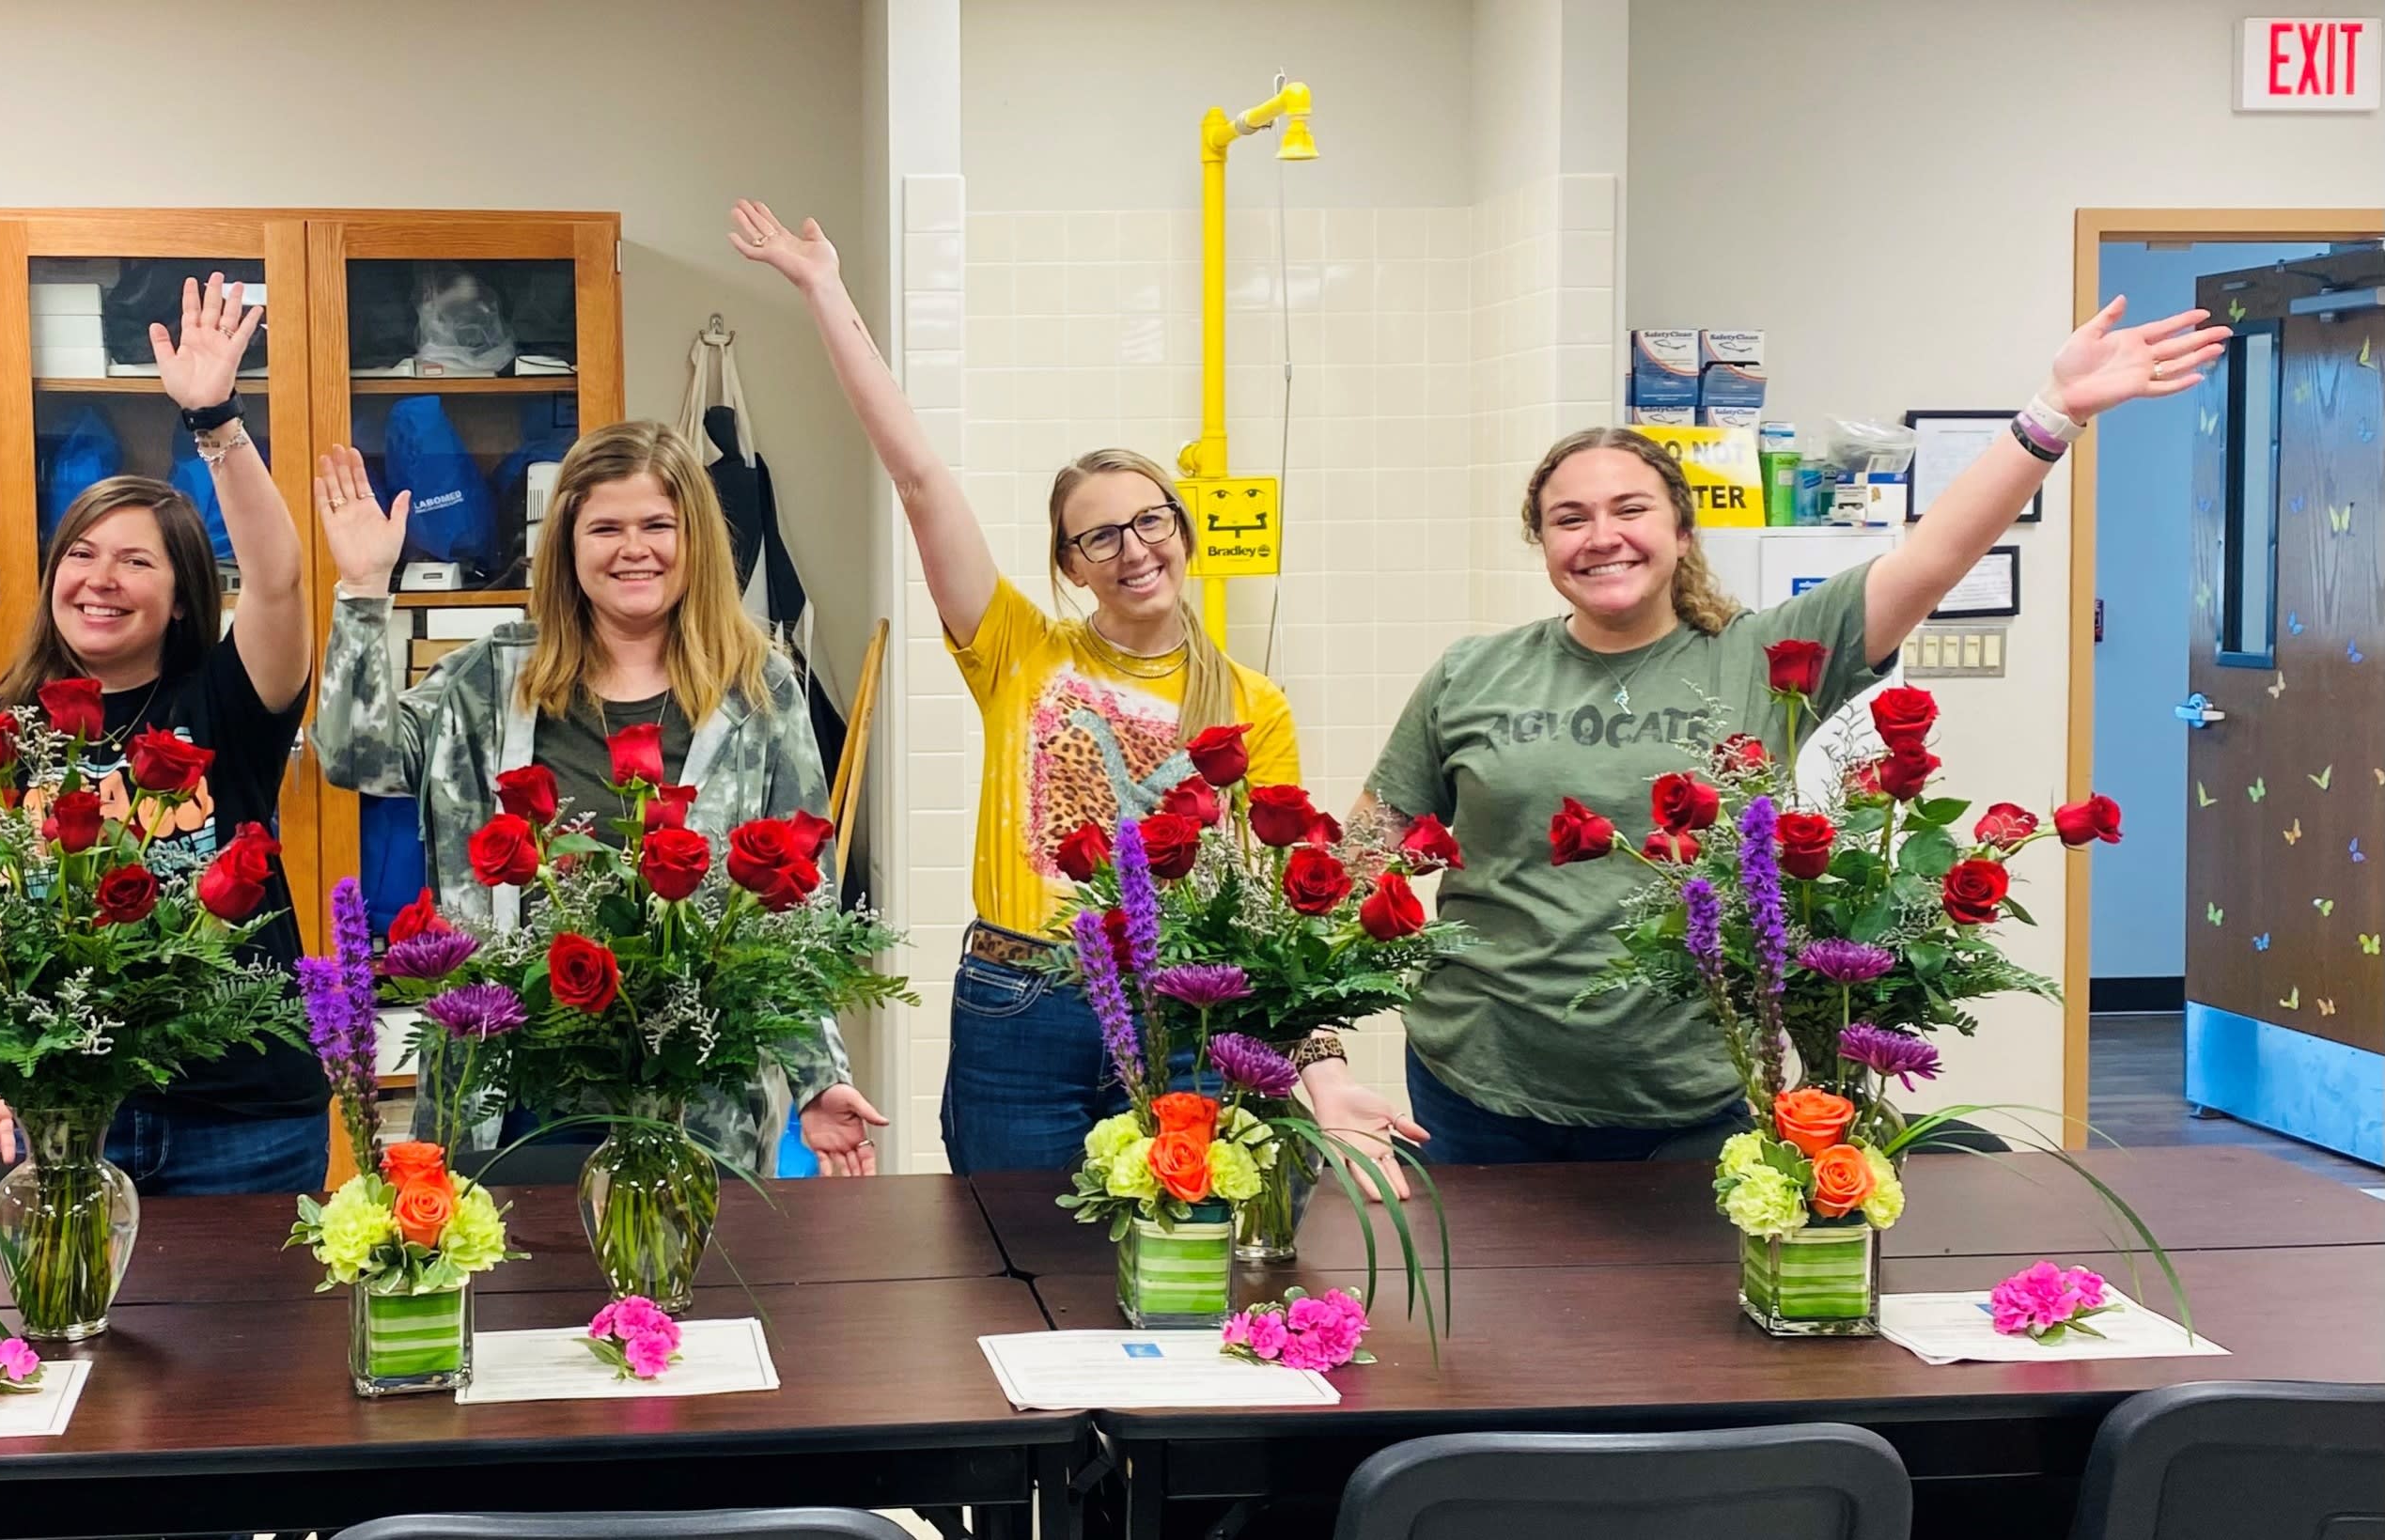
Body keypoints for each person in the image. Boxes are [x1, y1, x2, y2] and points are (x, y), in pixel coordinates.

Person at [1359, 298, 2229, 1164]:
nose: (1603, 538)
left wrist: (2054, 412)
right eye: (1570, 518)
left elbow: (1931, 558)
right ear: (1541, 540)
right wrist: (1316, 1052)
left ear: (1679, 529)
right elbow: (1359, 858)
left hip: (1697, 1094)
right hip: (1477, 1085)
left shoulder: (1769, 654)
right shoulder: (1471, 673)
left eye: (1630, 510)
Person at [730, 197, 1420, 1181]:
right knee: (1010, 1271)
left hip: (1185, 1013)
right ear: (1070, 563)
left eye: (1150, 522)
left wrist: (1322, 1069)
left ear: (1181, 531)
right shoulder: (1018, 648)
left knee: (1184, 1255)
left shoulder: (1253, 704)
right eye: (1101, 535)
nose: (1133, 549)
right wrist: (824, 288)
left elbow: (1277, 907)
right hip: (1021, 1009)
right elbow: (920, 479)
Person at [310, 417, 884, 1176]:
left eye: (657, 524)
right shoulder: (492, 678)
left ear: (697, 541)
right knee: (520, 1291)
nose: (633, 548)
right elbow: (354, 755)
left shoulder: (760, 690)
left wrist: (820, 1077)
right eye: (605, 526)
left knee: (686, 1292)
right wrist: (361, 590)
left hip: (699, 1090)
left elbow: (801, 907)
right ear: (569, 544)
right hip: (510, 1093)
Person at [0, 273, 324, 1196]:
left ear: (181, 594)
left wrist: (215, 420)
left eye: (136, 560)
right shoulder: (0, 735)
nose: (100, 579)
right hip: (56, 1115)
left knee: (249, 1346)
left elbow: (281, 583)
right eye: (82, 555)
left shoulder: (228, 702)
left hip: (241, 1125)